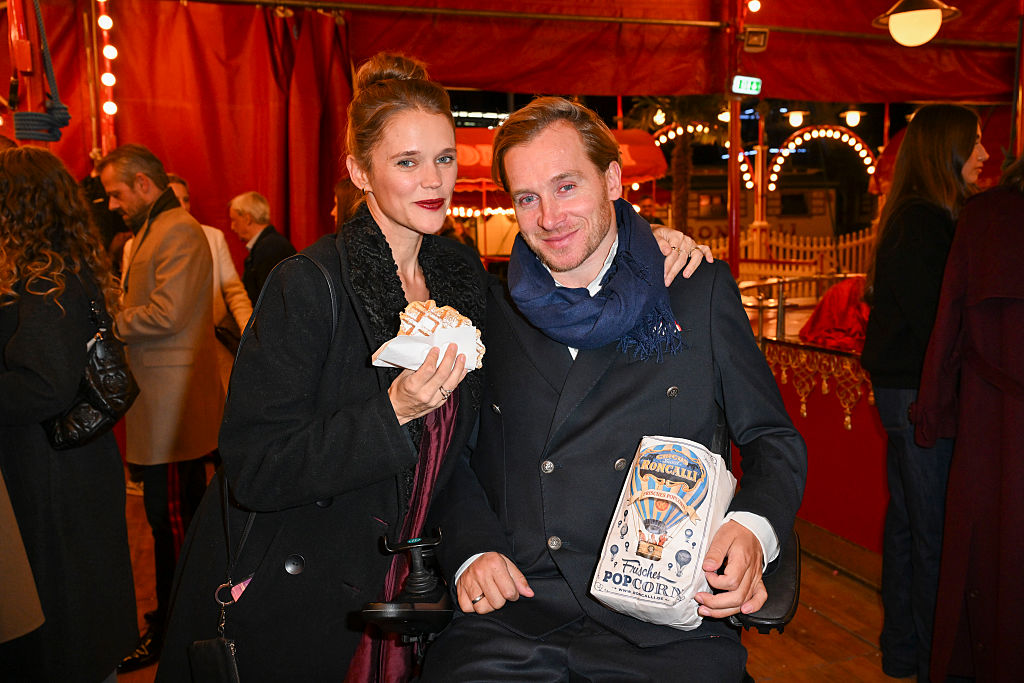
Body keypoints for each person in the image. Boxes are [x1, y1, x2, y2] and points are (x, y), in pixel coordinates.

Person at [156, 55, 706, 682]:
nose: (433, 181)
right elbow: (254, 469)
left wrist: (647, 243)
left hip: (417, 592)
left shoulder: (459, 274)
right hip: (306, 590)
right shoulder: (309, 285)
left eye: (444, 158)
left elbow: (564, 290)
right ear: (360, 171)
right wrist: (391, 413)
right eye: (406, 162)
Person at [419, 97, 807, 682]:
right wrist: (473, 551)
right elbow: (455, 460)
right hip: (516, 616)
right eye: (528, 197)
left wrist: (752, 530)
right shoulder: (487, 313)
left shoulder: (693, 293)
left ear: (612, 180)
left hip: (667, 624)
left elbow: (773, 439)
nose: (549, 217)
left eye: (567, 186)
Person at [860, 104, 988, 682]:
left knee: (912, 524)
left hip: (903, 389)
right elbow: (939, 321)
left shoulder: (916, 217)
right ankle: (935, 658)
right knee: (930, 528)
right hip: (918, 392)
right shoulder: (923, 223)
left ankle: (906, 652)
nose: (986, 155)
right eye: (977, 143)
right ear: (948, 151)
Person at [0, 147, 137, 682]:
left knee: (64, 620)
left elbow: (43, 387)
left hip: (50, 468)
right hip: (65, 463)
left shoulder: (43, 280)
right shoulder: (56, 271)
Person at [98, 144, 225, 672]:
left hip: (175, 411)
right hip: (161, 404)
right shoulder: (160, 226)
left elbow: (167, 314)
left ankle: (174, 627)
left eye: (116, 192)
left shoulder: (177, 229)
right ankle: (174, 621)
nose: (111, 204)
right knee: (166, 522)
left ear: (144, 185)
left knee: (172, 524)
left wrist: (111, 321)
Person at [912, 155, 1024, 682]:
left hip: (991, 420)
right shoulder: (975, 216)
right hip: (989, 412)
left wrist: (937, 408)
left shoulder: (984, 218)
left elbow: (948, 321)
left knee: (988, 565)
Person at [167, 174, 252, 385]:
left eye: (185, 199)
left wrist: (248, 330)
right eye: (174, 199)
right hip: (169, 354)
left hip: (215, 346)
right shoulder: (137, 244)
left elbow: (234, 290)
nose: (183, 206)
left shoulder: (213, 237)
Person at [227, 190, 296, 302]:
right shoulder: (270, 244)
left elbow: (270, 301)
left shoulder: (270, 248)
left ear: (247, 219)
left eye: (234, 220)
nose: (232, 227)